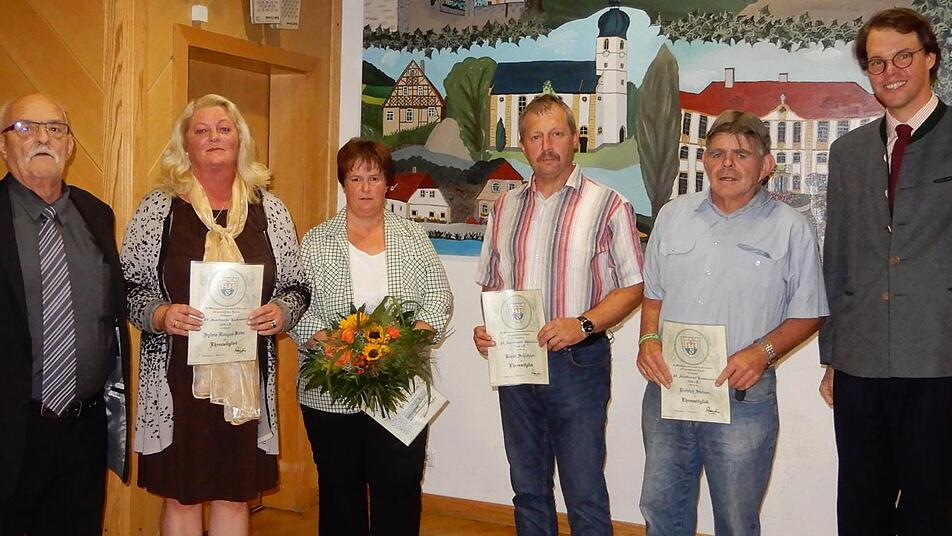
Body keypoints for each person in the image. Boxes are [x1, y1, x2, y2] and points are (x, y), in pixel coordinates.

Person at [120, 94, 309, 536]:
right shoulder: (159, 209)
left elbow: (298, 286)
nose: (213, 137)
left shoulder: (270, 210)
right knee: (180, 497)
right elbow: (127, 285)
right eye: (201, 130)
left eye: (224, 129)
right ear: (184, 143)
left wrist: (282, 312)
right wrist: (159, 313)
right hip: (175, 378)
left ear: (240, 139)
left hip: (245, 376)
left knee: (235, 495)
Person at [636, 110, 828, 535]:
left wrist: (762, 353)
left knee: (737, 520)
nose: (727, 164)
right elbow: (653, 293)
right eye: (717, 153)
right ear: (704, 161)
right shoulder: (672, 216)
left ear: (766, 165)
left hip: (742, 393)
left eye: (741, 154)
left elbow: (810, 311)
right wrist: (648, 338)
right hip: (670, 387)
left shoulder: (791, 228)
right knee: (661, 510)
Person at [473, 94, 644, 535]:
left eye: (556, 134)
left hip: (578, 363)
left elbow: (634, 285)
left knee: (583, 490)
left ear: (574, 140)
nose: (546, 146)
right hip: (516, 365)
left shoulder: (609, 205)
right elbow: (493, 282)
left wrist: (582, 324)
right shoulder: (504, 207)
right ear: (523, 146)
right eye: (535, 136)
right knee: (527, 487)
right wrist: (488, 330)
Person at [820, 8, 952, 534]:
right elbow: (837, 257)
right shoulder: (847, 153)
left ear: (931, 59)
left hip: (941, 360)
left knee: (933, 509)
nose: (890, 71)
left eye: (903, 57)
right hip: (860, 362)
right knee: (860, 507)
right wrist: (833, 356)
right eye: (877, 62)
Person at [290, 138, 452, 536]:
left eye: (374, 178)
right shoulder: (316, 241)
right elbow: (296, 304)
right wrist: (329, 344)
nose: (365, 187)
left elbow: (439, 297)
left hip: (400, 387)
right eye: (355, 178)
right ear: (343, 183)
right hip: (331, 388)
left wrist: (408, 341)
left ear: (388, 183)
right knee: (339, 489)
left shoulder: (413, 236)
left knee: (399, 485)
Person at [0, 93, 130, 535]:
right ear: (4, 145)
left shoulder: (96, 215)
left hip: (82, 431)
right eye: (25, 128)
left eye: (55, 128)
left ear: (70, 145)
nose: (42, 138)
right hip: (11, 429)